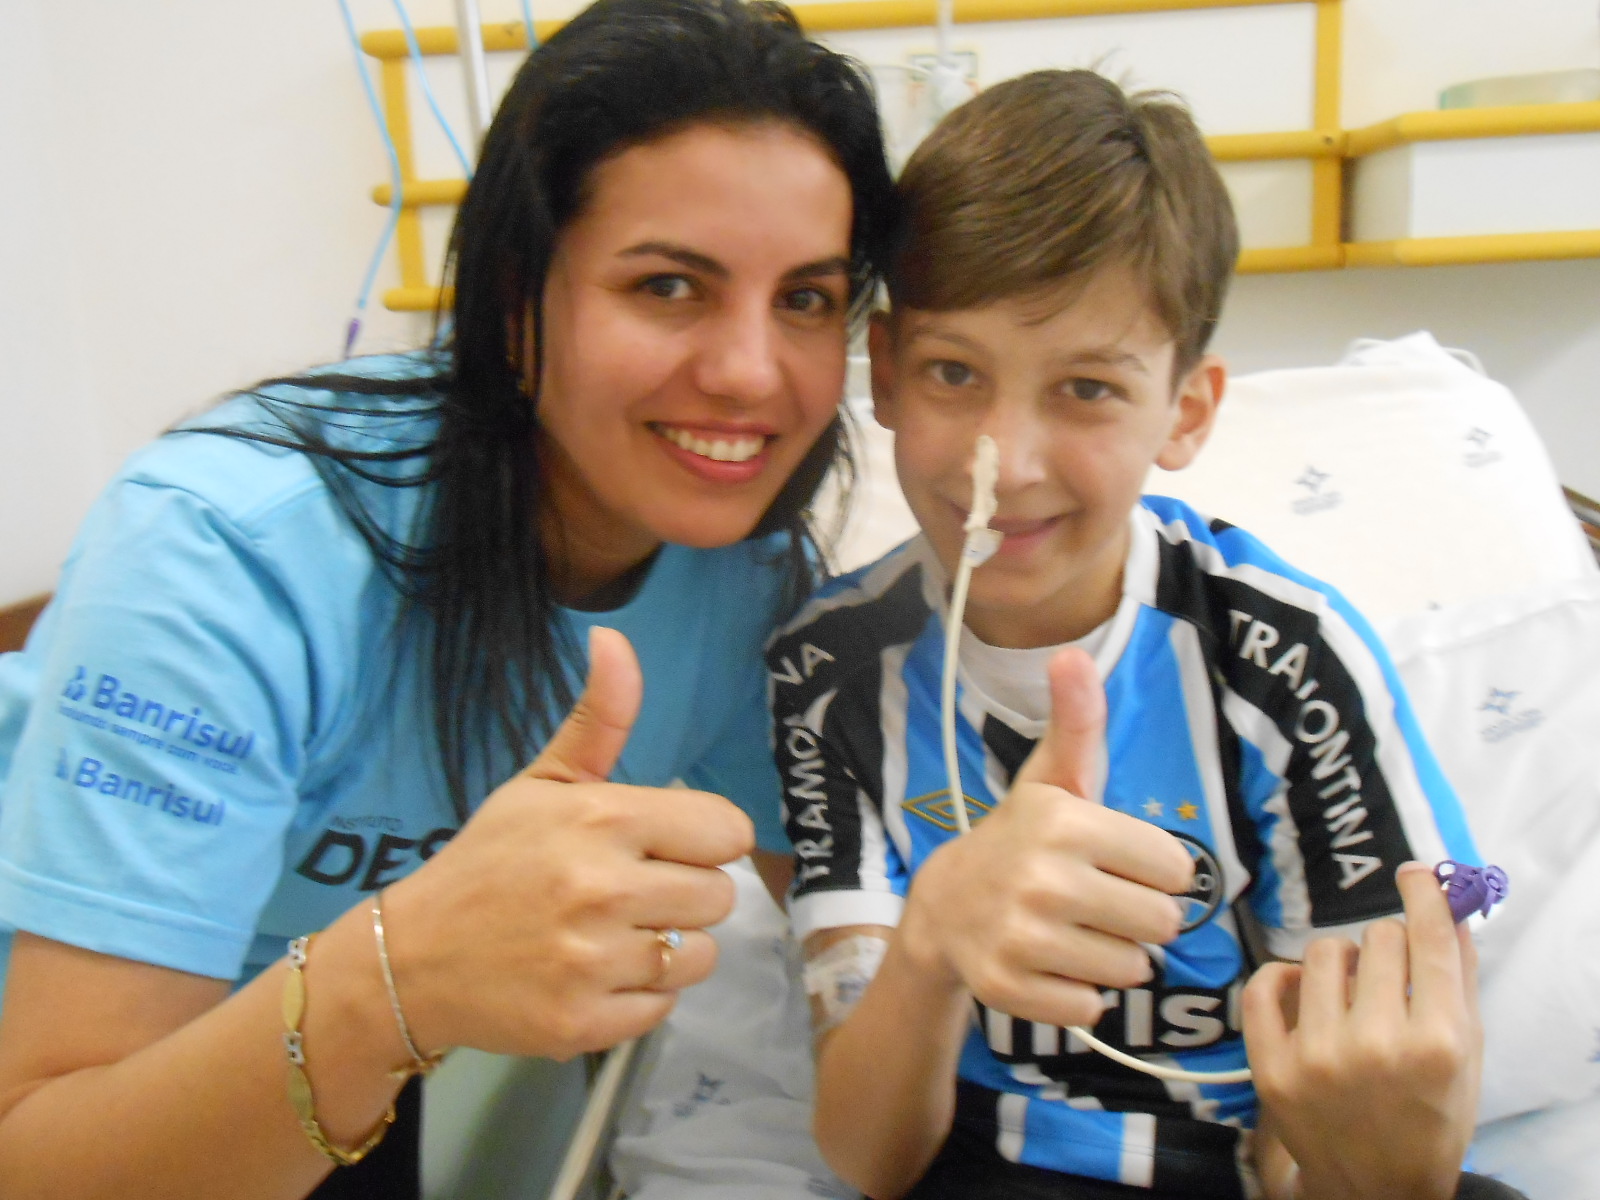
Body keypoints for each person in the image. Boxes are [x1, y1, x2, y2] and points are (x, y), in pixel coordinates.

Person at [0, 2, 895, 1197]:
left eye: (806, 299)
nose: (748, 373)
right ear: (519, 304)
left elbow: (838, 916)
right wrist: (406, 970)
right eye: (670, 285)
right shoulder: (227, 556)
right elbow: (40, 1155)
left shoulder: (741, 581)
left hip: (342, 1048)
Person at [768, 70, 1517, 1200]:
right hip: (986, 1162)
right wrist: (931, 942)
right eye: (953, 372)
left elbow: (1382, 1122)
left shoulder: (1286, 668)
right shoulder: (827, 674)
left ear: (1187, 411)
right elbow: (871, 1157)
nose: (1004, 464)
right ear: (884, 373)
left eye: (1086, 389)